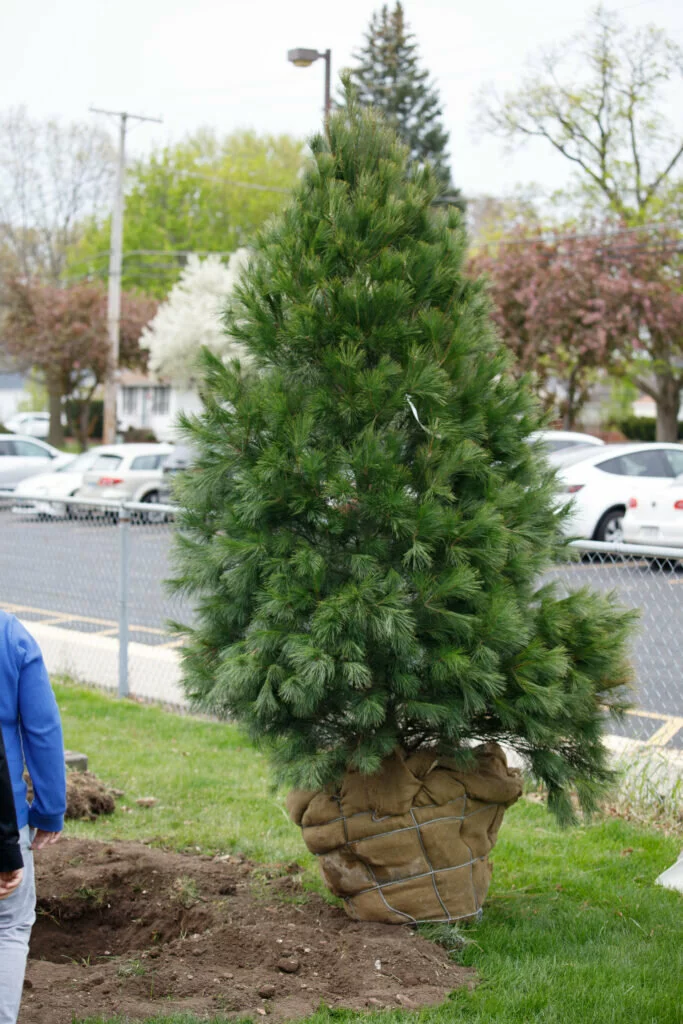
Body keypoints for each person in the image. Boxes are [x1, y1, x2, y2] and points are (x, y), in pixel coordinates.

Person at [0, 612, 66, 1024]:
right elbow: (42, 729)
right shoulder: (10, 635)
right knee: (9, 926)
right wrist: (49, 809)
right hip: (5, 817)